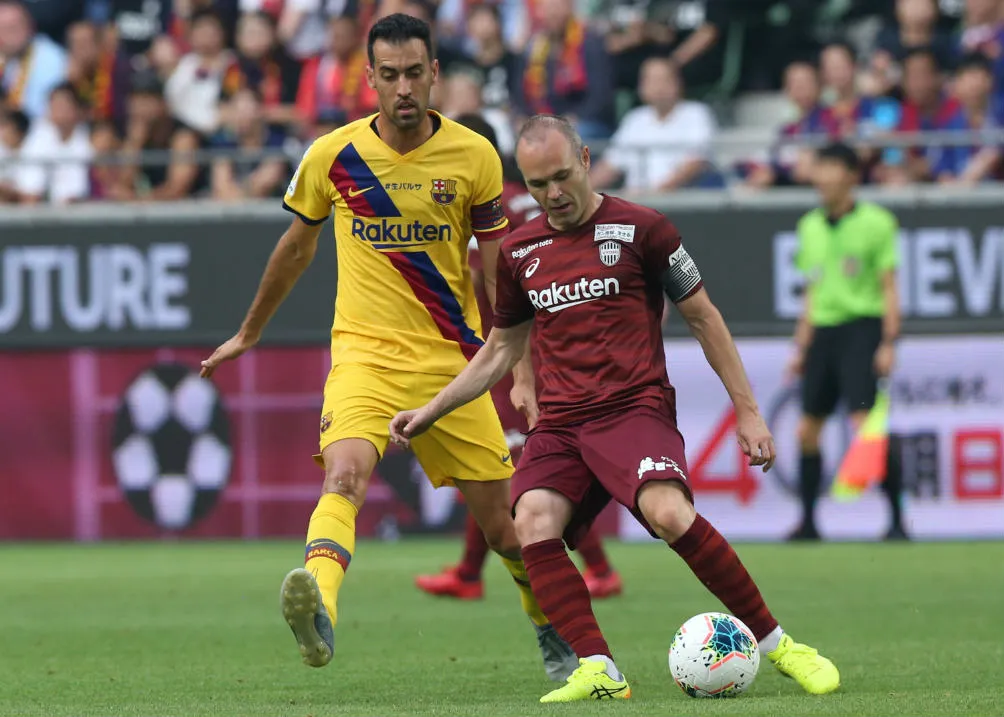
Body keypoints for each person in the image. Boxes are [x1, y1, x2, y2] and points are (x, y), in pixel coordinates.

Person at [390, 114, 841, 703]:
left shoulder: (644, 228)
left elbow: (703, 317)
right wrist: (431, 410)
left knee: (669, 514)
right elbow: (501, 350)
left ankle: (782, 645)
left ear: (583, 158)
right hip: (561, 423)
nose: (552, 195)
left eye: (560, 177)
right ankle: (599, 668)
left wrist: (748, 412)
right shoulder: (520, 251)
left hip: (633, 410)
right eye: (535, 184)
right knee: (530, 523)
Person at [199, 14, 577, 682]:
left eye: (414, 74)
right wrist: (250, 330)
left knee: (507, 529)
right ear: (368, 78)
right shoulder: (332, 156)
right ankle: (320, 614)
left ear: (434, 74)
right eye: (389, 75)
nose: (403, 88)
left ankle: (552, 630)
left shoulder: (474, 156)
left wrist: (520, 371)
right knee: (343, 474)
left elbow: (497, 273)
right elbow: (296, 247)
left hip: (450, 365)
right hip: (364, 358)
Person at [414, 112, 623, 602]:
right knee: (499, 463)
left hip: (518, 352)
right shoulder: (488, 203)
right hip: (501, 350)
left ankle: (598, 567)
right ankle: (470, 572)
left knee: (517, 465)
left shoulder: (496, 208)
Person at [787, 142, 906, 541]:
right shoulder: (809, 226)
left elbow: (889, 287)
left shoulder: (878, 222)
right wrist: (801, 347)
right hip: (823, 332)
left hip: (862, 328)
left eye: (831, 167)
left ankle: (896, 521)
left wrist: (889, 341)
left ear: (852, 175)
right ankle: (807, 522)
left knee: (864, 425)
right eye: (818, 166)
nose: (821, 176)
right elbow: (811, 292)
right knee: (807, 429)